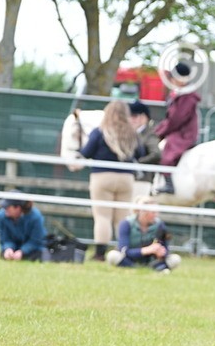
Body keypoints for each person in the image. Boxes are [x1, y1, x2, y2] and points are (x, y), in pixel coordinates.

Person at [78, 99, 144, 261]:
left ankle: (100, 253)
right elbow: (140, 153)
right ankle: (123, 250)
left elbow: (86, 153)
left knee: (102, 216)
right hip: (126, 178)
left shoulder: (100, 132)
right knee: (122, 217)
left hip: (102, 176)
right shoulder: (132, 133)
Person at [152, 61, 201, 195]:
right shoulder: (179, 93)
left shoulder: (188, 96)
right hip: (178, 129)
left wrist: (160, 131)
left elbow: (176, 119)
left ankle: (169, 184)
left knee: (168, 151)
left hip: (184, 133)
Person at [106, 196, 181, 273]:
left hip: (152, 260)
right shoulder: (126, 223)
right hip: (129, 259)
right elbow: (124, 251)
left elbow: (165, 249)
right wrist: (146, 250)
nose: (156, 215)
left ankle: (154, 268)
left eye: (156, 212)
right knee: (113, 256)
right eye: (153, 212)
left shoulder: (160, 225)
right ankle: (135, 269)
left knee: (175, 259)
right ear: (142, 212)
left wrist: (161, 253)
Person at [129, 99, 163, 167]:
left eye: (134, 116)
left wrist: (137, 163)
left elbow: (156, 154)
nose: (131, 119)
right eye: (129, 116)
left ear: (144, 118)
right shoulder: (129, 133)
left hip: (143, 175)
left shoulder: (150, 134)